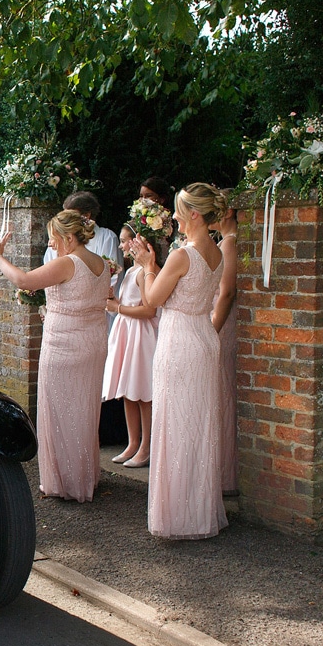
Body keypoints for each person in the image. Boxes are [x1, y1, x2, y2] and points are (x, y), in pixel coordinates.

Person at [128, 182, 228, 539]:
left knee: (176, 424)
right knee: (197, 425)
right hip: (204, 337)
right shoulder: (216, 252)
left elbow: (153, 300)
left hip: (180, 341)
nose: (176, 217)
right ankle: (197, 511)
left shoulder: (182, 255)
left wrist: (146, 265)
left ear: (195, 215)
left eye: (181, 211)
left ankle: (176, 517)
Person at [0, 209, 110, 502]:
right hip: (93, 343)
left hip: (65, 347)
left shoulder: (68, 263)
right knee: (84, 410)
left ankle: (66, 483)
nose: (51, 244)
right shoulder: (101, 264)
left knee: (61, 411)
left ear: (70, 238)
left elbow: (23, 281)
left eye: (54, 239)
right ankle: (84, 476)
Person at [102, 224, 164, 468]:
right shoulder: (130, 271)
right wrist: (113, 300)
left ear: (138, 241)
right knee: (128, 390)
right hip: (127, 331)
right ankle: (132, 442)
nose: (120, 246)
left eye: (125, 241)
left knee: (143, 393)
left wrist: (117, 309)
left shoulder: (144, 272)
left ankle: (146, 446)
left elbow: (149, 310)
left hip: (141, 335)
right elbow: (128, 303)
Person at [210, 204, 239, 495]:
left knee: (222, 394)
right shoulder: (223, 243)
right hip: (217, 322)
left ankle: (224, 475)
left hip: (222, 324)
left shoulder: (230, 244)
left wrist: (212, 329)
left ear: (229, 212)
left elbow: (227, 292)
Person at [43, 191, 123, 271]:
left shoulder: (107, 237)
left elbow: (112, 273)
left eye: (71, 214)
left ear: (86, 215)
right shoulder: (57, 239)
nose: (66, 218)